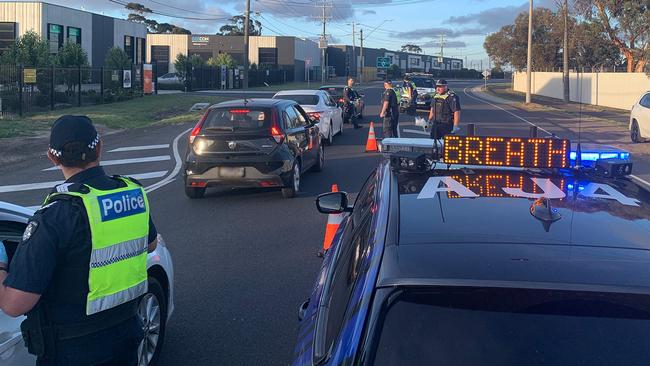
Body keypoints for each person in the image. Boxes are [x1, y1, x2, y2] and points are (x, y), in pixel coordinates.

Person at [0, 115, 158, 365]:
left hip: (72, 353)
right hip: (126, 337)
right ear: (99, 147)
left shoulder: (55, 217)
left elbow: (13, 304)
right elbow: (150, 245)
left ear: (53, 158)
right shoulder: (132, 193)